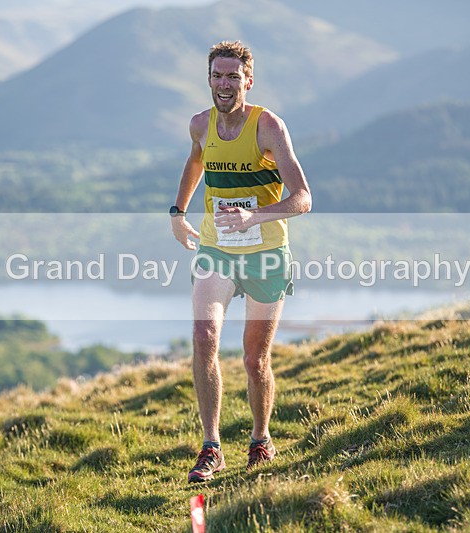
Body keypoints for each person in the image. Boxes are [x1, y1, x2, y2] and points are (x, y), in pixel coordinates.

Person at [170, 40, 312, 483]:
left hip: (267, 254)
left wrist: (256, 215)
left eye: (233, 77)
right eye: (217, 76)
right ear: (208, 79)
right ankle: (211, 447)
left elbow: (303, 198)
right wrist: (178, 212)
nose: (224, 84)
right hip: (216, 251)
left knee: (255, 360)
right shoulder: (200, 124)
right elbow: (196, 161)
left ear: (248, 81)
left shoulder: (268, 126)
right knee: (204, 337)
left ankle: (260, 438)